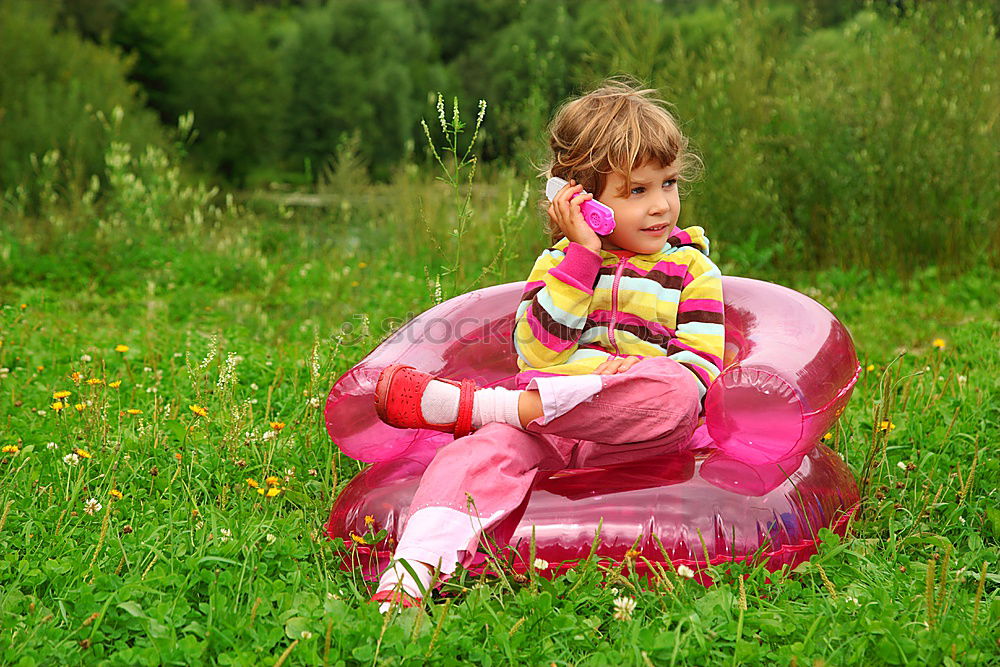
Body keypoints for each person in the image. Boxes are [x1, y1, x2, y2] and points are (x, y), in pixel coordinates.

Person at [369, 79, 724, 611]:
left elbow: (699, 371)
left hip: (637, 431)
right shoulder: (558, 267)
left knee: (677, 389)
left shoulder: (692, 270)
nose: (661, 206)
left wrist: (618, 377)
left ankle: (480, 406)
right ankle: (406, 586)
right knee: (476, 454)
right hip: (550, 427)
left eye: (668, 184)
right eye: (636, 191)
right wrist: (582, 256)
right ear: (577, 200)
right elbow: (539, 355)